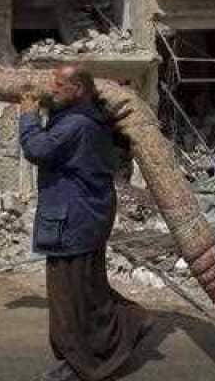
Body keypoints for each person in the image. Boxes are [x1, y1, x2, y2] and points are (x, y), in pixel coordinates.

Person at [19, 66, 151, 381]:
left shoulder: (77, 124)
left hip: (73, 219)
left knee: (69, 298)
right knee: (89, 290)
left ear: (78, 89)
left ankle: (82, 364)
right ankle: (131, 321)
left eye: (59, 84)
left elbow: (38, 149)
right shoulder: (84, 117)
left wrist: (28, 116)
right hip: (86, 215)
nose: (52, 87)